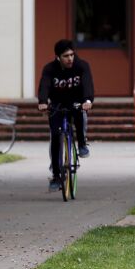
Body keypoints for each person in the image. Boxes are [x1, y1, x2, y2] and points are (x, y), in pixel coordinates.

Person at [37, 39, 94, 192]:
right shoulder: (50, 69)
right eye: (65, 56)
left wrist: (87, 100)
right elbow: (44, 85)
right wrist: (42, 101)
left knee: (80, 114)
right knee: (55, 136)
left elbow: (87, 83)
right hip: (57, 105)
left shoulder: (81, 66)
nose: (70, 59)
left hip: (76, 102)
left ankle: (81, 144)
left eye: (71, 55)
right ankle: (56, 176)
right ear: (58, 57)